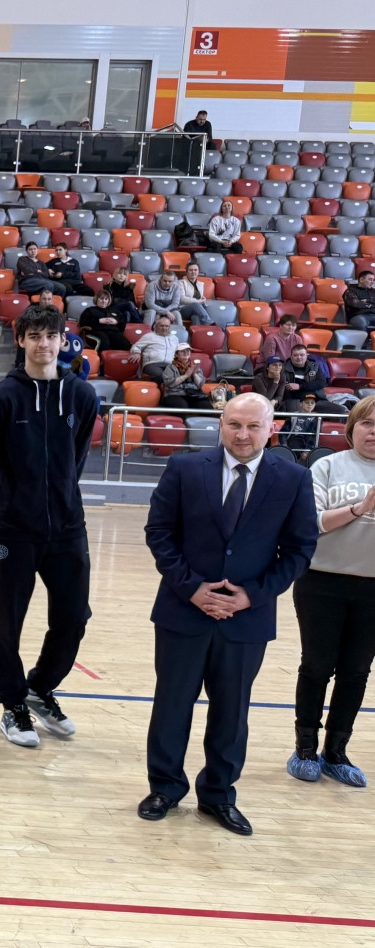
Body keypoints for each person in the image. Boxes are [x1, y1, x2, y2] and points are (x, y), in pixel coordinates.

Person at [138, 393, 316, 835]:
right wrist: (192, 588)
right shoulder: (184, 467)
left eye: (253, 426)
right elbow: (159, 533)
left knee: (232, 713)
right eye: (235, 424)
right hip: (183, 611)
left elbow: (299, 550)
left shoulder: (293, 478)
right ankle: (165, 788)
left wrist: (251, 596)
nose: (243, 434)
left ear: (271, 429)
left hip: (246, 618)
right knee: (171, 705)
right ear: (221, 423)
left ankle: (218, 795)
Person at [0, 303, 100, 750]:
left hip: (68, 526)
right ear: (21, 341)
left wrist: (60, 495)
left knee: (74, 617)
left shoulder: (82, 396)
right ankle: (13, 703)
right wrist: (11, 502)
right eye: (34, 336)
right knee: (7, 622)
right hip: (13, 530)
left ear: (63, 340)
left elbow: (76, 457)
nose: (43, 344)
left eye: (50, 336)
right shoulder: (0, 399)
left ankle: (40, 687)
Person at [289, 395, 375, 786]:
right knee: (317, 666)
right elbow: (314, 522)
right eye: (366, 423)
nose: (372, 432)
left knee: (356, 672)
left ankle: (336, 752)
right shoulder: (327, 465)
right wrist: (361, 507)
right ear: (352, 428)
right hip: (322, 582)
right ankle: (305, 749)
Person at [79, 287, 140, 353]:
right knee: (104, 341)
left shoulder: (114, 311)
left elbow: (123, 325)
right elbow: (83, 323)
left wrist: (116, 322)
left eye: (106, 299)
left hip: (113, 332)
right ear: (96, 299)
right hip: (96, 331)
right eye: (101, 298)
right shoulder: (89, 310)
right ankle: (99, 358)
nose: (104, 301)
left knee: (125, 344)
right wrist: (99, 321)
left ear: (108, 300)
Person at [134, 312, 182, 383]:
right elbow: (136, 346)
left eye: (167, 326)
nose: (164, 328)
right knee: (161, 375)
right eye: (162, 326)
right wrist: (136, 352)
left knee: (176, 375)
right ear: (156, 326)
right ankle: (159, 390)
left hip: (170, 364)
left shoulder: (174, 338)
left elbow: (178, 352)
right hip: (152, 364)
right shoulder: (149, 336)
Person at [342, 268, 375, 334]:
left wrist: (365, 302)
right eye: (370, 279)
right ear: (361, 279)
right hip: (358, 316)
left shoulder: (373, 291)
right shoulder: (351, 291)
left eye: (373, 280)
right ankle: (363, 340)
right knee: (360, 322)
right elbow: (355, 304)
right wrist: (372, 304)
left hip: (373, 315)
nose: (372, 282)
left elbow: (360, 303)